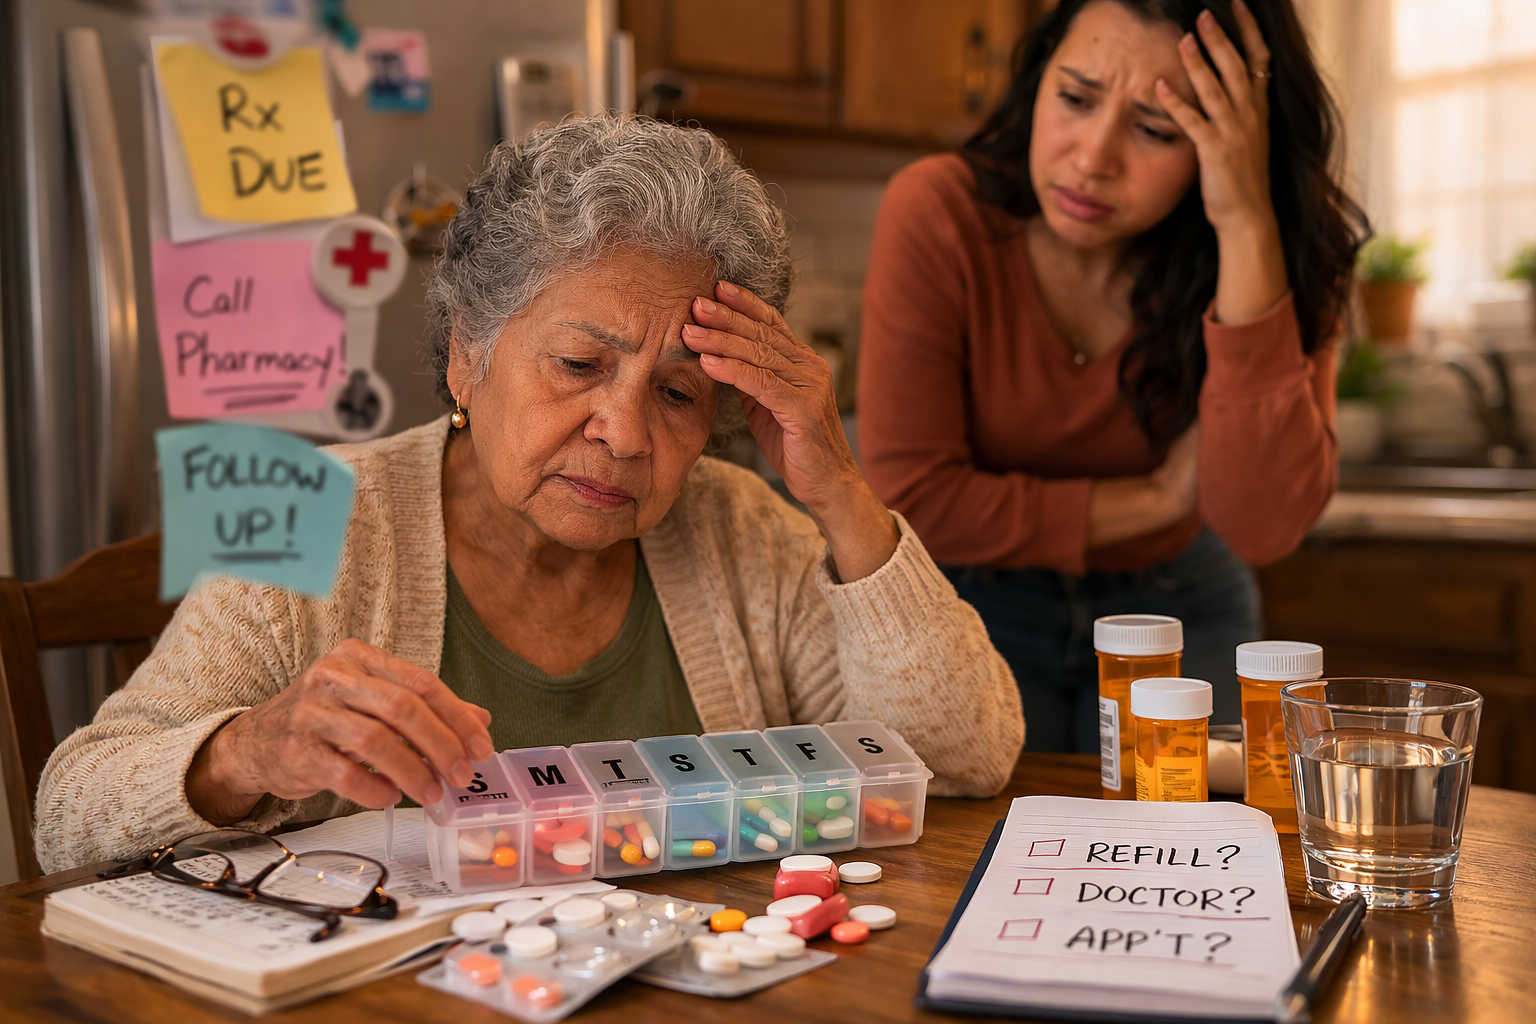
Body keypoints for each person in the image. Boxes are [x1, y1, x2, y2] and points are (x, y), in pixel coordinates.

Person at [36, 115, 1022, 873]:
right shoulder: (315, 514)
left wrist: (841, 494)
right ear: (469, 357)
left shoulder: (746, 534)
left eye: (678, 393)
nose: (627, 434)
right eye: (580, 363)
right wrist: (248, 751)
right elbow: (66, 818)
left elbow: (964, 755)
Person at [857, 0, 1366, 752]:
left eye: (1157, 129)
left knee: (1206, 851)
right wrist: (1161, 496)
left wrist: (1247, 223)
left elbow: (1258, 526)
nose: (1092, 158)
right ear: (1038, 77)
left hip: (1185, 613)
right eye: (1075, 97)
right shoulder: (939, 211)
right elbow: (914, 499)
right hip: (967, 607)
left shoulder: (1278, 254)